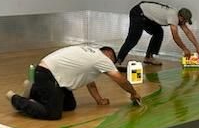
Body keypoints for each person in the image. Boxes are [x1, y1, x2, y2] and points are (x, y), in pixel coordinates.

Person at [7, 45, 141, 120]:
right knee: (52, 114)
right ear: (109, 55)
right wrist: (133, 93)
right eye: (113, 61)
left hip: (51, 75)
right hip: (48, 74)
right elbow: (120, 79)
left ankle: (34, 89)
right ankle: (15, 98)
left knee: (70, 106)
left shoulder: (91, 55)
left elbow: (90, 82)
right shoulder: (103, 59)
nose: (112, 64)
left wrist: (99, 100)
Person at [115, 1, 199, 66]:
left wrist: (198, 47)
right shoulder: (173, 16)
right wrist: (185, 49)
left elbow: (187, 32)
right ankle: (118, 61)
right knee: (133, 39)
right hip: (138, 12)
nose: (184, 23)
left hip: (147, 16)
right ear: (180, 17)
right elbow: (175, 37)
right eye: (184, 21)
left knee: (158, 32)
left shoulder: (179, 18)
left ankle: (149, 57)